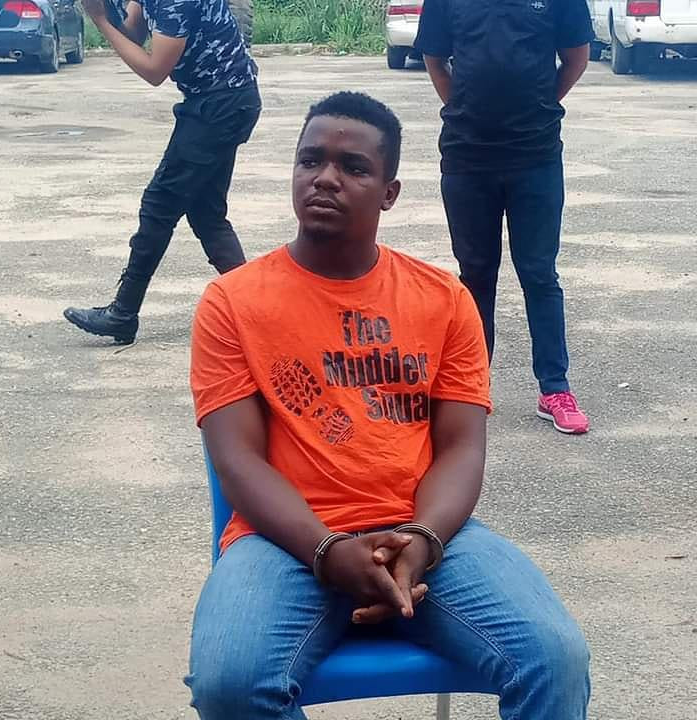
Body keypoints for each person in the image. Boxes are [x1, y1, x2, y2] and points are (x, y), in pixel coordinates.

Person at [186, 91, 590, 720]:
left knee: (554, 659)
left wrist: (423, 540)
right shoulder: (232, 303)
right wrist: (327, 552)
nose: (325, 178)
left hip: (425, 534)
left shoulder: (443, 299)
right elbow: (238, 461)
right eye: (310, 160)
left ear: (389, 193)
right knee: (229, 683)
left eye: (353, 167)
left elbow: (461, 448)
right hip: (284, 542)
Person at [414, 0, 593, 434]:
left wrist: (539, 107)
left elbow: (576, 57)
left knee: (539, 273)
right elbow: (434, 58)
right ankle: (471, 387)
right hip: (467, 156)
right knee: (475, 275)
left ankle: (555, 389)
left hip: (536, 155)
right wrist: (464, 109)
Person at [63, 0, 261, 344]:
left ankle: (123, 313)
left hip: (220, 104)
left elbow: (155, 70)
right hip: (221, 100)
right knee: (207, 215)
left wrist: (100, 20)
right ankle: (256, 310)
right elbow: (132, 34)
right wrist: (106, 12)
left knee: (159, 204)